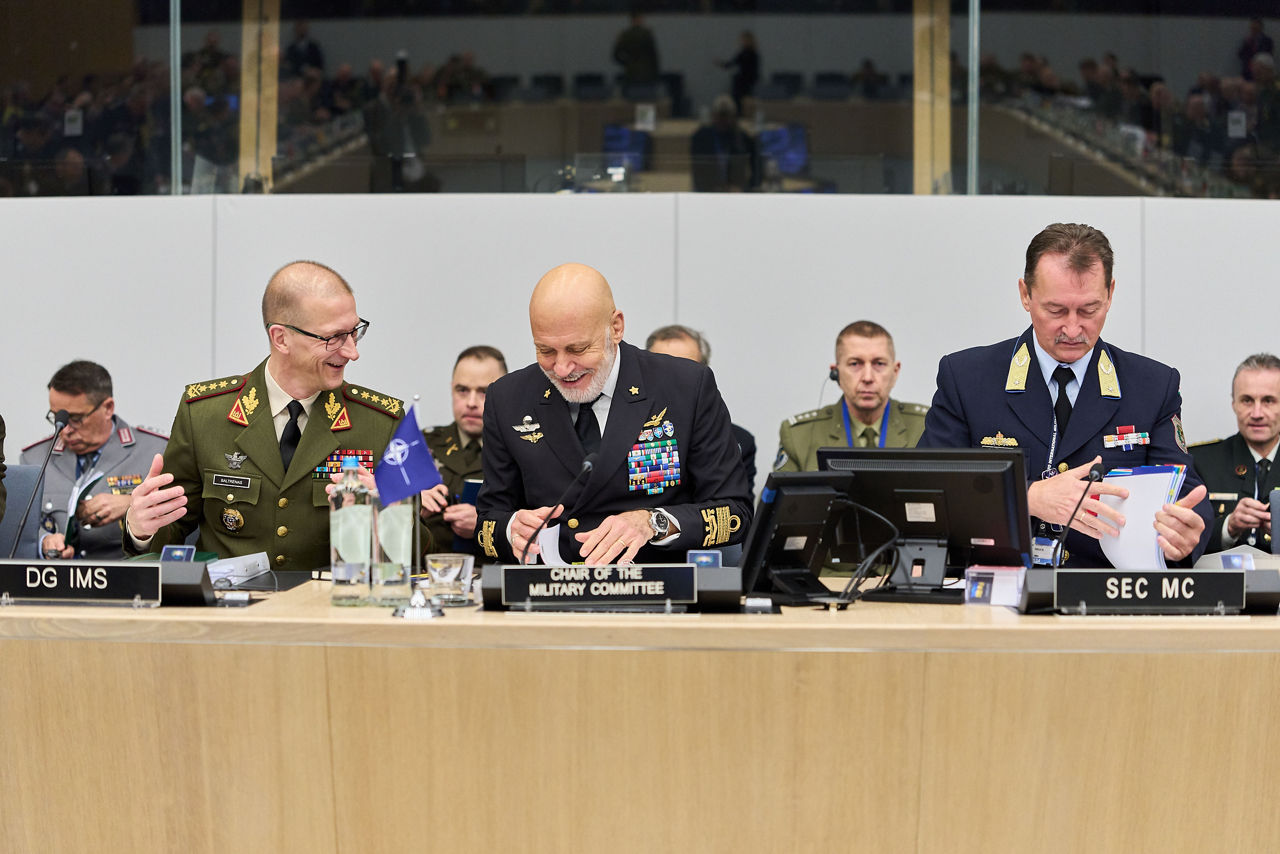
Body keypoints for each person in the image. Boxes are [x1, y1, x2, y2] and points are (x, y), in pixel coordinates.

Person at [918, 222, 1210, 568]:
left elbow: (1186, 493)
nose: (1073, 329)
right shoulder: (967, 378)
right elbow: (926, 492)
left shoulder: (1152, 384)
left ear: (1111, 293)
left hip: (1106, 596)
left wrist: (1187, 533)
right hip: (998, 592)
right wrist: (1024, 498)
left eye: (1089, 310)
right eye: (1056, 310)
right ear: (1025, 294)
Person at [123, 261, 404, 571]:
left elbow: (419, 549)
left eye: (354, 332)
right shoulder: (204, 414)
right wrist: (140, 529)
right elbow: (172, 532)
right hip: (231, 611)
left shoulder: (380, 422)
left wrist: (388, 517)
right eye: (333, 338)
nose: (352, 351)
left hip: (330, 611)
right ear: (281, 338)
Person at [475, 263, 751, 566]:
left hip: (657, 593)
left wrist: (654, 523)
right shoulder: (508, 399)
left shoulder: (685, 387)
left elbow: (735, 512)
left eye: (578, 349)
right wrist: (511, 527)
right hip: (547, 596)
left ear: (616, 327)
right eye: (546, 351)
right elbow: (488, 522)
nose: (562, 368)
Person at [19, 361, 167, 560]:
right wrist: (44, 541)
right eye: (57, 417)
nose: (65, 429)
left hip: (125, 581)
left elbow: (183, 519)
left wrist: (131, 504)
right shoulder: (35, 458)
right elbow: (21, 525)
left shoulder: (155, 452)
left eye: (76, 418)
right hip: (56, 582)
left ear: (108, 408)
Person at [775, 321, 928, 473]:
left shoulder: (925, 426)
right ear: (836, 373)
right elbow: (779, 497)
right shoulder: (799, 435)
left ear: (895, 372)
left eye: (879, 364)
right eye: (855, 364)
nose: (867, 377)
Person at [645, 324, 756, 501]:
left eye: (685, 369)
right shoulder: (627, 434)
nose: (672, 379)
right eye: (661, 368)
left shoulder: (738, 442)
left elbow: (736, 515)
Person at [420, 346, 507, 557]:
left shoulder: (522, 451)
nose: (471, 403)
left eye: (484, 392)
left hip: (493, 579)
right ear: (451, 389)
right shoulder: (419, 445)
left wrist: (485, 526)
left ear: (505, 394)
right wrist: (410, 506)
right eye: (462, 390)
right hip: (425, 574)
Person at [1190, 353, 1280, 552]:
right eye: (1247, 401)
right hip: (1220, 582)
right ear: (1234, 404)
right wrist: (1228, 527)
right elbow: (1180, 545)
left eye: (1268, 401)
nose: (1257, 414)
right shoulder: (1201, 462)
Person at [690, 95, 755, 193]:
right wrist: (710, 188)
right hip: (707, 191)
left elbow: (757, 168)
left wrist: (745, 188)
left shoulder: (742, 138)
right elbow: (697, 170)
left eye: (727, 116)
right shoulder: (700, 138)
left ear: (733, 117)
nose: (723, 120)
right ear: (713, 115)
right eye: (720, 115)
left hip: (735, 192)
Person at [716, 31, 759, 116]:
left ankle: (744, 116)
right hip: (742, 81)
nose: (743, 41)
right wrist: (721, 64)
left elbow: (754, 69)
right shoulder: (743, 53)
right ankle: (739, 116)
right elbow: (731, 63)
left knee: (745, 102)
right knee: (738, 102)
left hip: (747, 82)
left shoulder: (752, 54)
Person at [612, 12, 660, 88]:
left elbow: (615, 55)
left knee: (632, 96)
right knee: (647, 96)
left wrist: (627, 63)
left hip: (631, 72)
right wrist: (656, 71)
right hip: (646, 72)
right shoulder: (647, 34)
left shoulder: (625, 35)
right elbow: (653, 55)